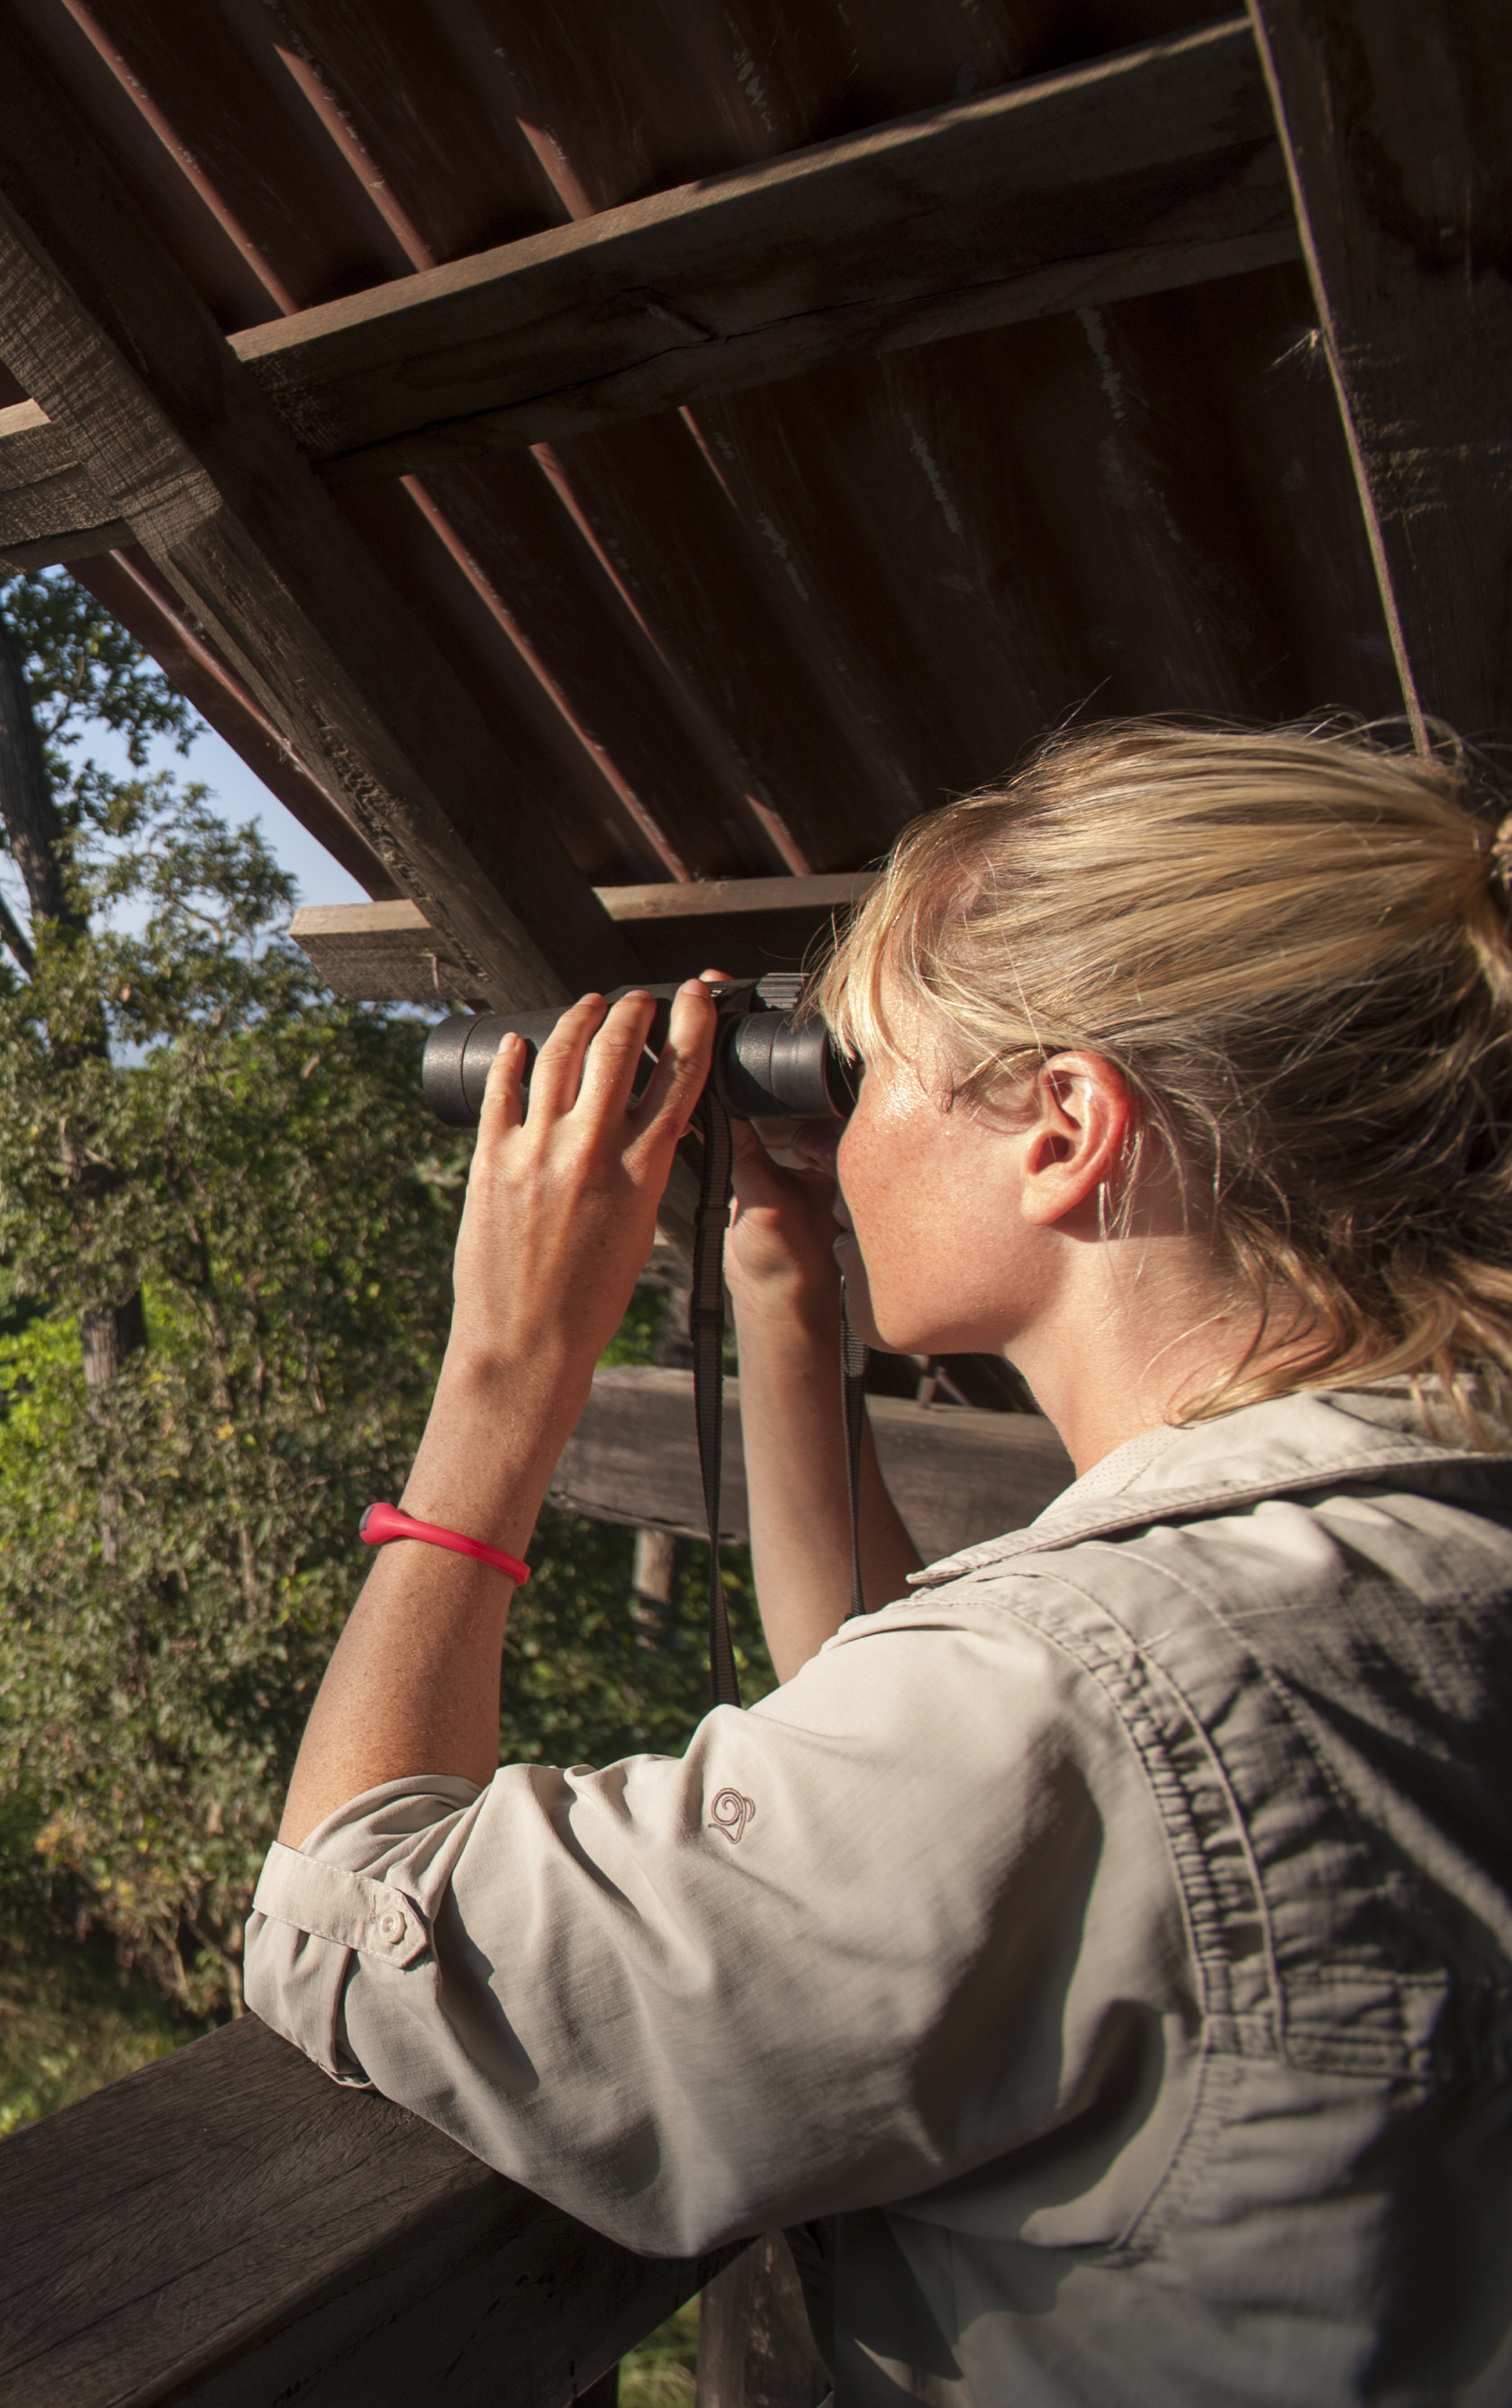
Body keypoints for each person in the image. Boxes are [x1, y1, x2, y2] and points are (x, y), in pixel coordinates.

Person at [240, 723, 1512, 2406]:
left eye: (862, 1066)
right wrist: (789, 1294)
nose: (837, 1119)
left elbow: (350, 1918)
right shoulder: (1424, 1542)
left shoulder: (1094, 1688)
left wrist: (503, 1369)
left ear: (1065, 1125)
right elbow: (906, 1715)